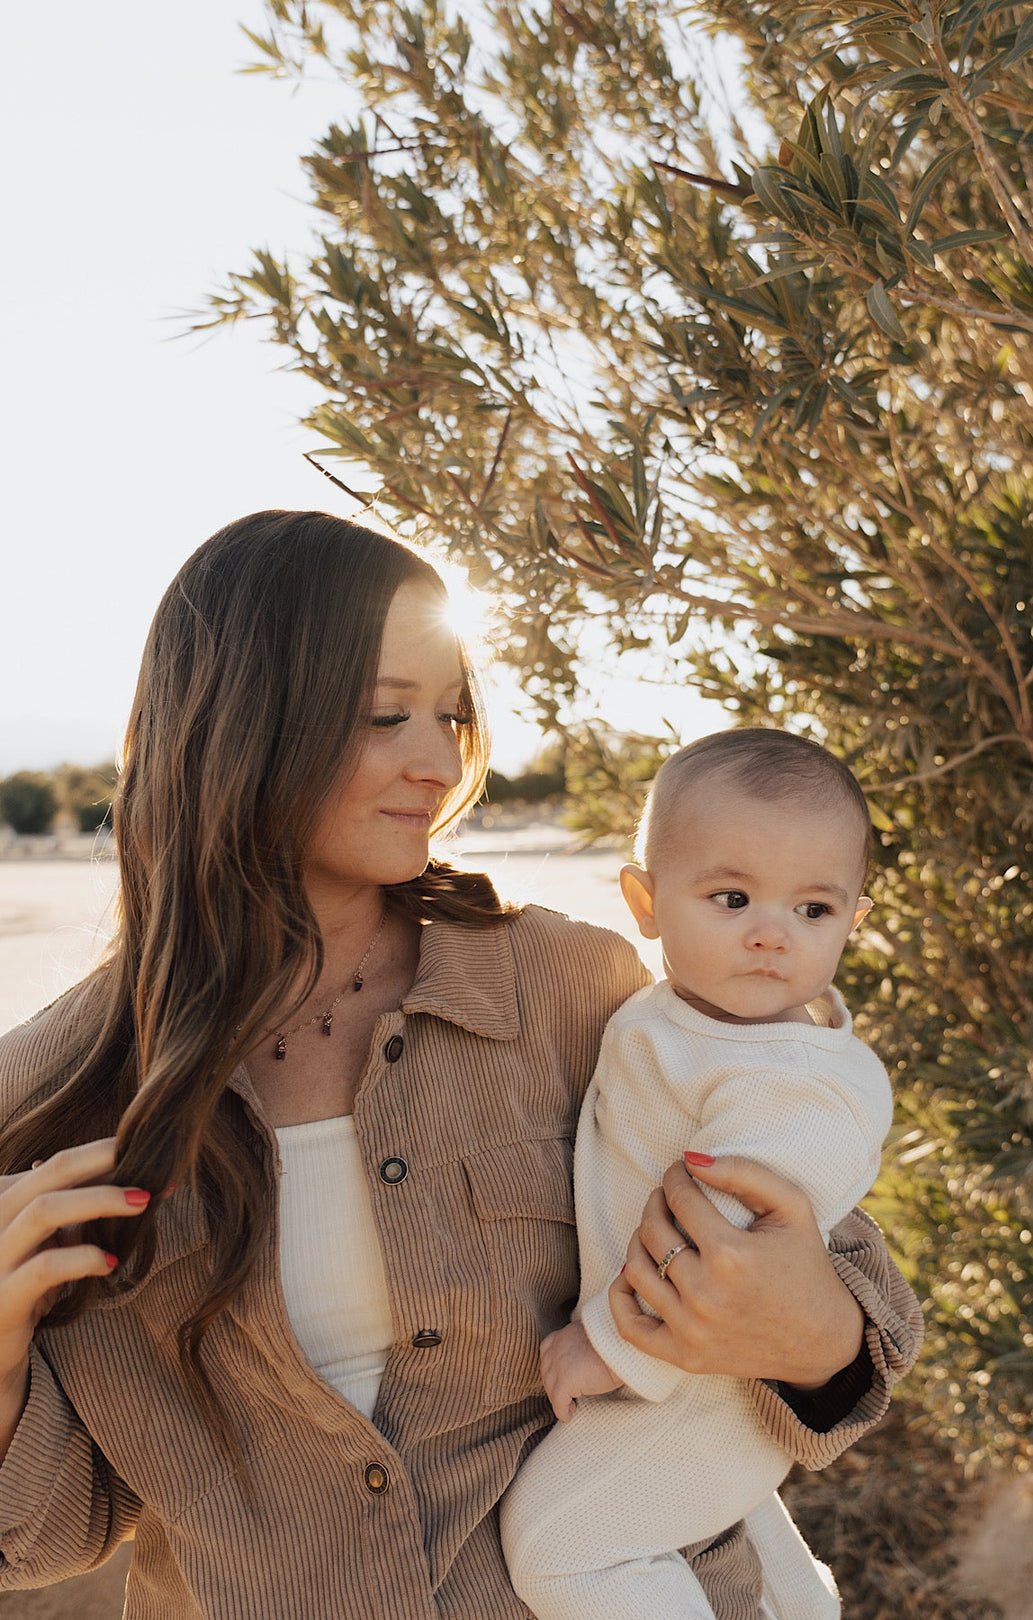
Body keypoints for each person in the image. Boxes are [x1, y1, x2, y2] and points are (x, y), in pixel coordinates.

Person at [0, 511, 921, 1619]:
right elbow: (44, 1538)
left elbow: (842, 1307)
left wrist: (814, 1334)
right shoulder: (54, 1093)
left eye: (452, 715)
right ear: (245, 720)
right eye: (387, 715)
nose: (439, 764)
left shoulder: (569, 990)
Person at [501, 729, 897, 1620]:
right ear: (645, 901)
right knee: (714, 1517)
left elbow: (718, 1238)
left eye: (813, 911)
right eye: (732, 897)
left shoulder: (805, 1084)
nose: (770, 936)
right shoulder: (683, 1017)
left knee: (562, 1546)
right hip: (693, 1390)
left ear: (855, 923)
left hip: (700, 1379)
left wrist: (606, 1339)